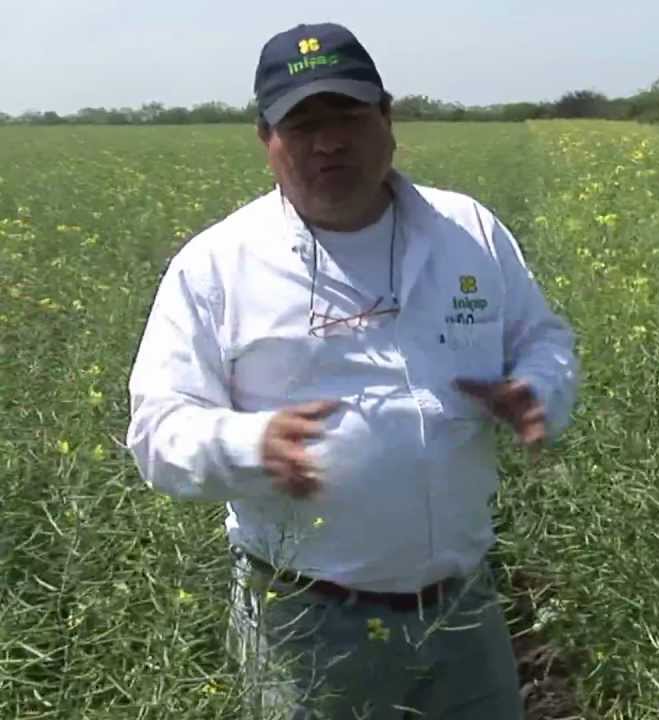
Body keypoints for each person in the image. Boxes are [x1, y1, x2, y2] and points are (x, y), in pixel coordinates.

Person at [125, 21, 579, 719]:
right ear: (266, 141)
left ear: (388, 119)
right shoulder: (217, 266)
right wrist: (250, 445)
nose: (328, 140)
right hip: (307, 627)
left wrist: (537, 388)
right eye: (302, 123)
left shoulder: (470, 233)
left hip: (464, 608)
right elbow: (158, 429)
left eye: (347, 115)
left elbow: (544, 338)